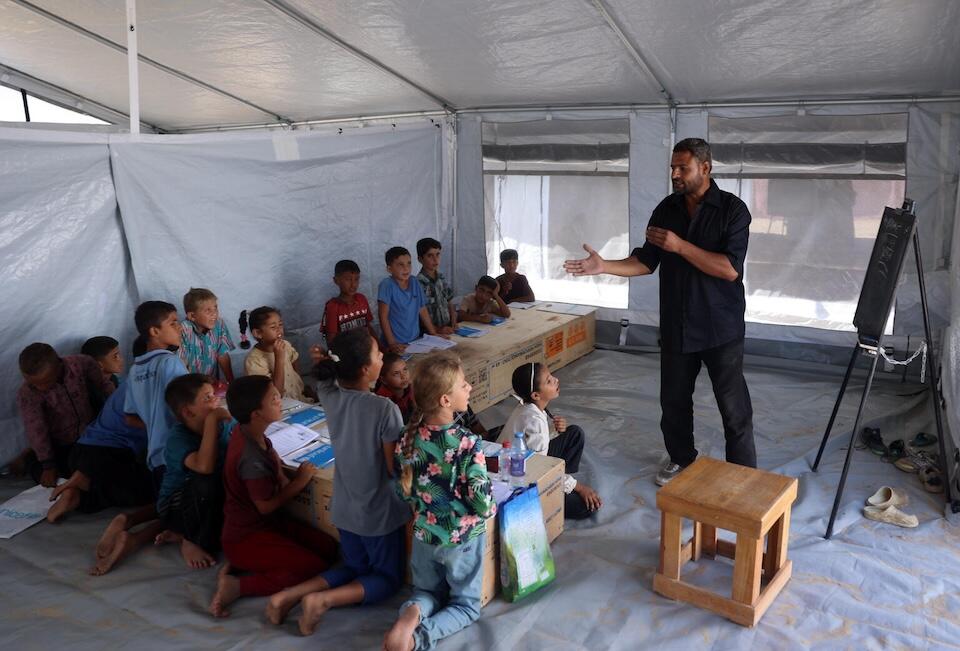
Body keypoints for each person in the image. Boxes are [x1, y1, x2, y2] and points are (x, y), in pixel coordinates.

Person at [564, 137, 755, 485]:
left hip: (720, 328)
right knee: (674, 403)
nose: (675, 174)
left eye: (683, 167)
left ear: (705, 168)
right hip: (678, 325)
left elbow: (729, 269)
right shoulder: (667, 209)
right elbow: (645, 262)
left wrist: (680, 246)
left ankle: (742, 476)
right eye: (672, 167)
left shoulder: (733, 210)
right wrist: (603, 265)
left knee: (733, 407)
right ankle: (682, 459)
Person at [264, 330, 410, 635]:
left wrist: (325, 361)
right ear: (365, 369)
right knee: (387, 578)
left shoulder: (329, 394)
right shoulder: (385, 409)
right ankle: (323, 600)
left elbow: (325, 376)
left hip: (344, 507)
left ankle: (288, 596)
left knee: (354, 567)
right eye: (378, 354)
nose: (383, 356)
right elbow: (391, 466)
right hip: (377, 514)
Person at [383, 351, 496, 651]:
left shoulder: (408, 439)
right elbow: (482, 503)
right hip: (461, 541)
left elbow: (404, 491)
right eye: (463, 384)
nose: (469, 387)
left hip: (424, 535)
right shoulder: (468, 443)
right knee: (465, 606)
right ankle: (416, 639)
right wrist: (492, 506)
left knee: (426, 591)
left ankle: (409, 616)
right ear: (446, 400)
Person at [210, 375, 338, 618]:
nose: (280, 400)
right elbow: (265, 507)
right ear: (256, 413)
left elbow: (270, 452)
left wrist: (279, 473)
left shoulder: (249, 431)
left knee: (328, 548)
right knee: (315, 566)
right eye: (273, 398)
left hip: (270, 525)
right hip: (247, 534)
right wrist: (298, 482)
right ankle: (238, 586)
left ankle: (244, 565)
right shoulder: (249, 459)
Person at [500, 362, 602, 519]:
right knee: (585, 508)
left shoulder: (527, 406)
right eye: (549, 381)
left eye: (551, 376)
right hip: (520, 480)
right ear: (536, 395)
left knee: (574, 433)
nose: (556, 380)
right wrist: (579, 488)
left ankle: (563, 480)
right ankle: (558, 486)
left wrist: (554, 430)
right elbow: (539, 471)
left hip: (526, 463)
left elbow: (536, 444)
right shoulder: (535, 421)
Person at [154, 374, 234, 569]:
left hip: (210, 499)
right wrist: (213, 419)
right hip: (178, 506)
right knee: (205, 480)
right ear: (188, 412)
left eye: (214, 394)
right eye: (207, 398)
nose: (216, 400)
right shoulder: (178, 438)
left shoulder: (223, 426)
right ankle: (188, 539)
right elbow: (204, 467)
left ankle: (178, 533)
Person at [46, 378, 152, 524]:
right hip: (111, 456)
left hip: (82, 448)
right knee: (151, 489)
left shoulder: (133, 380)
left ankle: (79, 488)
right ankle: (83, 486)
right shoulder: (162, 389)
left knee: (107, 483)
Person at [16, 343, 115, 487]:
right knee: (63, 479)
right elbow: (36, 430)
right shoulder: (28, 393)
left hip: (91, 433)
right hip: (61, 444)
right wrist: (48, 465)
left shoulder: (81, 364)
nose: (40, 388)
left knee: (107, 468)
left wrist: (118, 410)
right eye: (33, 383)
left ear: (58, 367)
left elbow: (104, 385)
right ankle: (32, 458)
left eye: (46, 382)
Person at [378, 246, 443, 354]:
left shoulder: (414, 282)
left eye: (409, 263)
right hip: (396, 344)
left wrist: (433, 333)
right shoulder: (387, 285)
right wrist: (392, 343)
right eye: (400, 265)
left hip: (415, 341)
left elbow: (422, 309)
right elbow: (383, 317)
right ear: (389, 269)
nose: (406, 268)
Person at [245, 306, 317, 403]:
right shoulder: (254, 361)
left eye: (280, 324)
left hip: (298, 398)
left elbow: (294, 359)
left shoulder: (285, 345)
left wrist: (300, 384)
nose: (279, 330)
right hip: (279, 405)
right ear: (258, 333)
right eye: (273, 327)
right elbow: (276, 394)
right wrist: (279, 357)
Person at [179, 287, 236, 384]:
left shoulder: (219, 324)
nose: (214, 314)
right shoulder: (183, 330)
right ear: (192, 316)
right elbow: (181, 364)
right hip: (189, 386)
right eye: (208, 310)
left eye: (215, 308)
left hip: (211, 384)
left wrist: (232, 382)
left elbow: (222, 355)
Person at [321, 259, 377, 345]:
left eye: (356, 279)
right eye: (348, 279)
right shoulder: (332, 307)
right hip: (346, 355)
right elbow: (331, 340)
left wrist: (380, 347)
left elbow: (368, 327)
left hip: (366, 351)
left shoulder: (362, 299)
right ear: (336, 280)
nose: (353, 284)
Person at [416, 237, 457, 335]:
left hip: (447, 328)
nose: (435, 259)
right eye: (430, 256)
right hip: (428, 333)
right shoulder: (417, 283)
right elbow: (419, 313)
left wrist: (454, 322)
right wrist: (437, 330)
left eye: (438, 254)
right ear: (420, 259)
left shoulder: (441, 278)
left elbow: (450, 302)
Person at [375, 352, 415, 423]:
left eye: (405, 369)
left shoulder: (410, 388)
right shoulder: (382, 401)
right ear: (384, 380)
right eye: (396, 373)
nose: (403, 376)